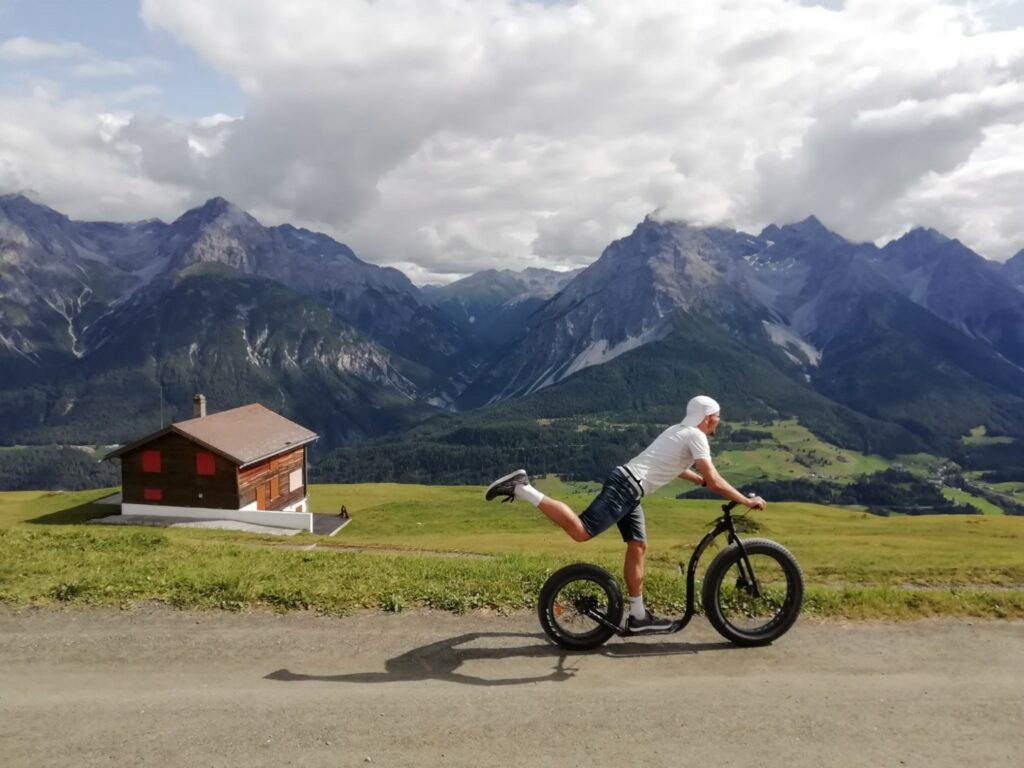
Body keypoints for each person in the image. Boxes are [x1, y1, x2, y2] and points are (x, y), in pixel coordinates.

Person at [484, 395, 767, 633]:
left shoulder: (677, 431)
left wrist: (699, 481)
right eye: (717, 418)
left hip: (630, 488)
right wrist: (745, 500)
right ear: (707, 418)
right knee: (581, 531)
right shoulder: (697, 436)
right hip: (626, 488)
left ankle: (638, 615)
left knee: (638, 545)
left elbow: (676, 466)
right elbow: (715, 480)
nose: (718, 422)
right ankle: (523, 489)